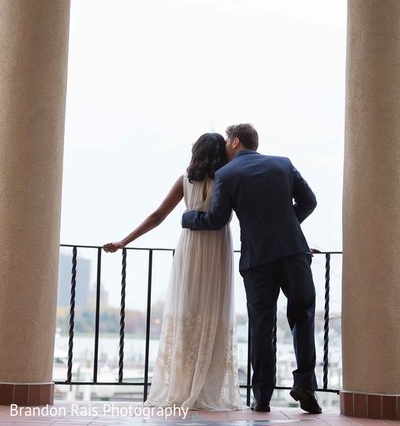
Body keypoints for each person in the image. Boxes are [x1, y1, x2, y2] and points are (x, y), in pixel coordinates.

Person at [182, 123, 321, 414]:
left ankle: (262, 397)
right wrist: (288, 227)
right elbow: (309, 201)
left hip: (257, 261)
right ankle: (306, 383)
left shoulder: (227, 174)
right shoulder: (283, 164)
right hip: (294, 252)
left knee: (261, 326)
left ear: (234, 142)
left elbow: (217, 220)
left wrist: (188, 217)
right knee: (303, 315)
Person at [103, 132, 242, 411]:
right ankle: (206, 389)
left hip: (191, 248)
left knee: (187, 311)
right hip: (217, 249)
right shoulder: (227, 179)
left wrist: (123, 241)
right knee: (213, 312)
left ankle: (181, 385)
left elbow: (157, 216)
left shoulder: (184, 180)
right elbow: (249, 217)